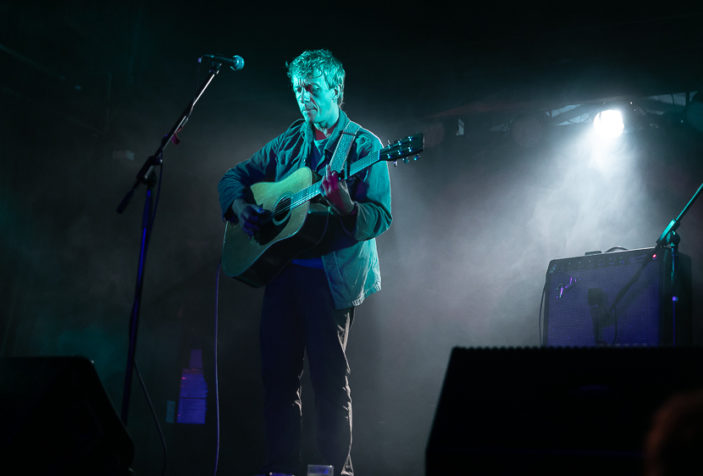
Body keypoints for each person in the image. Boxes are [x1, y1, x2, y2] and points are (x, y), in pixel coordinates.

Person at [218, 49, 392, 476]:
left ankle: (336, 471)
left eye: (312, 88)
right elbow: (233, 177)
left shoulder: (365, 146)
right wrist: (241, 208)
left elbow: (380, 217)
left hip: (331, 280)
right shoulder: (291, 139)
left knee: (329, 384)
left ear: (336, 89)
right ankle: (279, 468)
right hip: (283, 274)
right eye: (297, 88)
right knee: (278, 380)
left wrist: (347, 206)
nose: (303, 96)